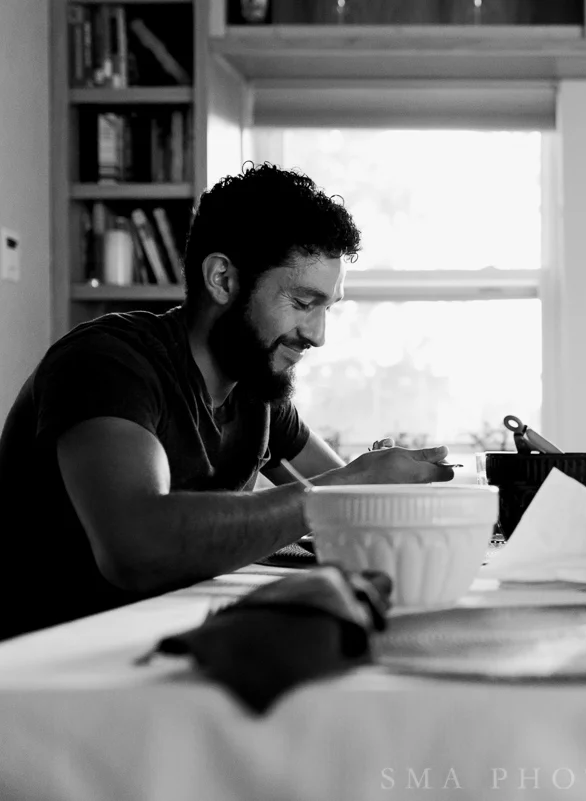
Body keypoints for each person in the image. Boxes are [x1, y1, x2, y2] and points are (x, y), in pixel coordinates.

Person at [0, 164, 453, 640]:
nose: (318, 335)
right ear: (222, 279)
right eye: (303, 304)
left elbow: (348, 501)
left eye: (326, 308)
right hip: (45, 663)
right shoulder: (106, 363)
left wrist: (382, 483)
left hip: (160, 640)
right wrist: (348, 485)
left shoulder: (255, 385)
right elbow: (136, 548)